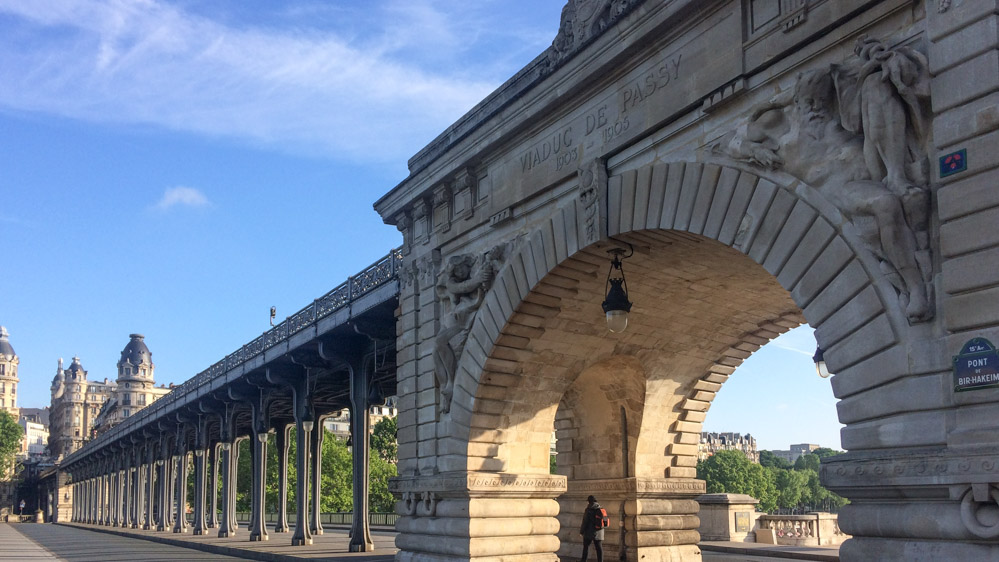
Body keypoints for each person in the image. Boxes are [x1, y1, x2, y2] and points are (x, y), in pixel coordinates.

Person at [579, 495, 605, 562]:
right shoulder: (600, 508)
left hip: (589, 532)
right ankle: (600, 560)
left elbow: (585, 521)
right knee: (599, 548)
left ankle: (583, 560)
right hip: (599, 531)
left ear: (589, 501)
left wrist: (581, 531)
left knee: (586, 547)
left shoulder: (588, 509)